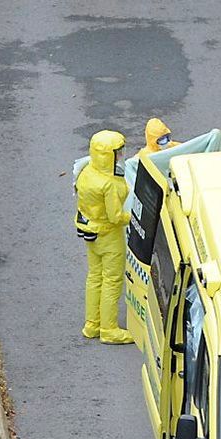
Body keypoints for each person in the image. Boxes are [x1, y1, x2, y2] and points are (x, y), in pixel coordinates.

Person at [75, 130, 135, 345]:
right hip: (109, 235)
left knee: (94, 277)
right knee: (112, 280)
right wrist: (135, 216)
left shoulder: (86, 171)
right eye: (118, 153)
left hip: (91, 231)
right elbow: (116, 216)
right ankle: (109, 329)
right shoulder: (110, 183)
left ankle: (92, 324)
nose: (121, 156)